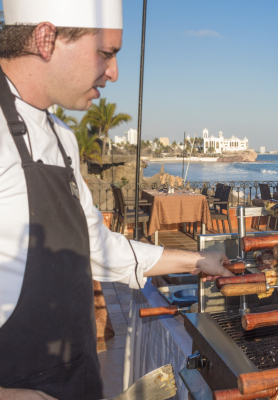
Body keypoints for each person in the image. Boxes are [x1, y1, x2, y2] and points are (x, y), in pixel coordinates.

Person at [0, 2, 233, 399]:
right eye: (105, 54)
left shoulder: (62, 136)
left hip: (77, 379)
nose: (114, 73)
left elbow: (97, 245)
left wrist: (196, 261)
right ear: (45, 39)